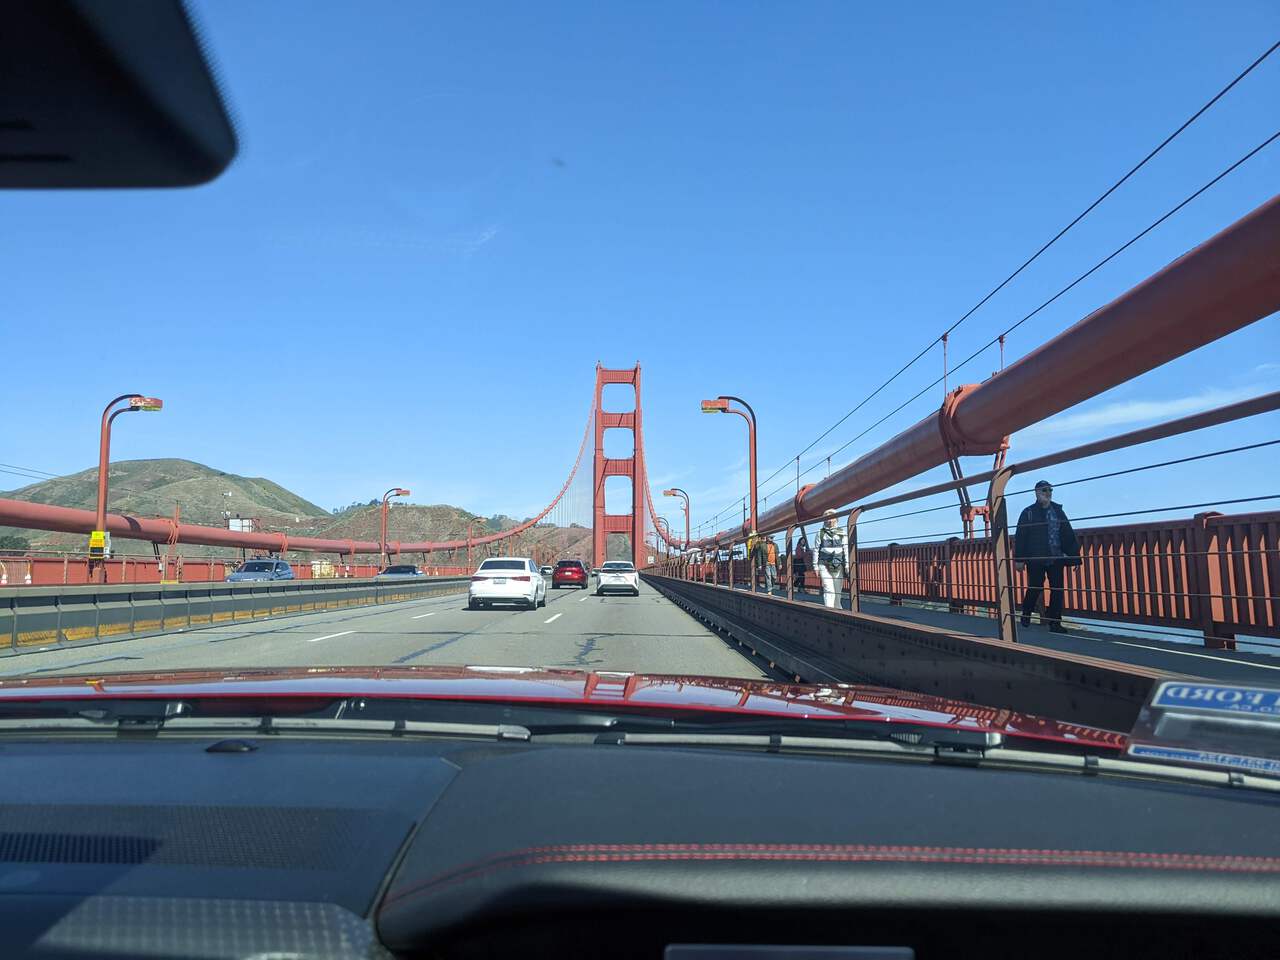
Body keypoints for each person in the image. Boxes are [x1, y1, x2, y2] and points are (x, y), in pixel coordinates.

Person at [1014, 480, 1080, 633]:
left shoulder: (1058, 510)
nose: (1048, 493)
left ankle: (1055, 623)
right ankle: (1026, 612)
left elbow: (1068, 533)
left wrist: (1074, 557)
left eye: (1050, 490)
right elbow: (1021, 536)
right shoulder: (1028, 512)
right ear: (1037, 492)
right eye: (1045, 490)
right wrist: (1019, 560)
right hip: (1036, 558)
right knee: (1035, 587)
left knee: (1057, 590)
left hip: (1056, 557)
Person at [812, 509, 848, 609]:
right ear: (824, 520)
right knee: (828, 588)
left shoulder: (842, 532)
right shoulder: (820, 533)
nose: (830, 521)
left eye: (832, 518)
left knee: (837, 588)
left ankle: (838, 608)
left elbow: (846, 549)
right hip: (824, 563)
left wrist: (848, 565)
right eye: (827, 518)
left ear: (836, 519)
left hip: (838, 563)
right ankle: (829, 609)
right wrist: (815, 566)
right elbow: (815, 550)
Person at [792, 529, 809, 594]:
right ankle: (797, 585)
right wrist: (806, 553)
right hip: (798, 562)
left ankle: (799, 587)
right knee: (802, 576)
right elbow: (799, 555)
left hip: (800, 562)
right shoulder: (799, 547)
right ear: (800, 541)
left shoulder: (801, 547)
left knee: (801, 575)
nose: (803, 542)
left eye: (804, 541)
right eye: (802, 541)